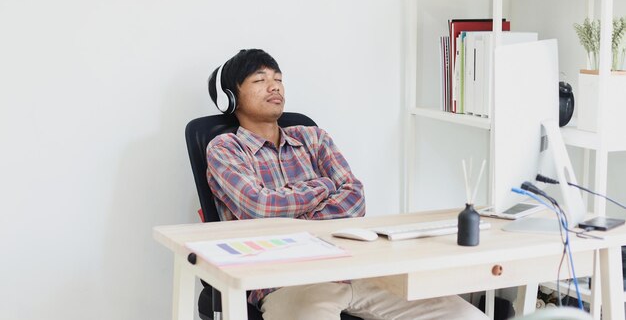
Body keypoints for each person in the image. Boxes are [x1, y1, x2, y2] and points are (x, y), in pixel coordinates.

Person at [206, 49, 487, 320]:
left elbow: (355, 199)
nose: (274, 87)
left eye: (278, 79)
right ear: (231, 99)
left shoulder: (313, 137)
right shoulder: (225, 149)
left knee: (463, 314)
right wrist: (325, 186)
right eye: (260, 80)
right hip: (284, 282)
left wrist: (295, 220)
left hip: (353, 268)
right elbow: (261, 206)